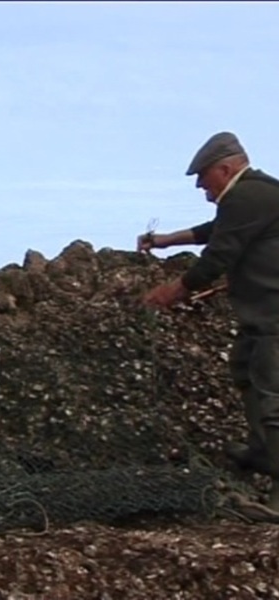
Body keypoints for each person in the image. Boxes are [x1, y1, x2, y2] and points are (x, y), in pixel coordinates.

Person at [141, 131, 279, 513]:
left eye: (205, 179)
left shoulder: (249, 194)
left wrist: (175, 290)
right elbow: (217, 229)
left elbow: (219, 254)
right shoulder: (251, 197)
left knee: (272, 395)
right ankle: (263, 449)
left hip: (275, 314)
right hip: (262, 313)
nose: (203, 188)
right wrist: (170, 240)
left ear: (226, 168)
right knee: (244, 367)